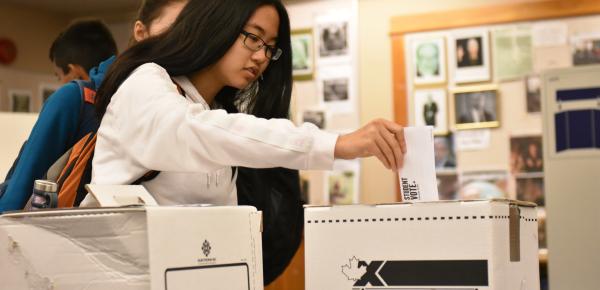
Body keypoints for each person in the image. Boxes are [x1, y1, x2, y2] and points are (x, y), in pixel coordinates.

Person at [83, 0, 407, 207]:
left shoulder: (216, 111)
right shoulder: (146, 82)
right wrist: (337, 144)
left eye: (270, 48)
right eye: (253, 37)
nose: (261, 57)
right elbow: (195, 131)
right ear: (215, 27)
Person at [0, 1, 188, 212]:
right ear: (140, 32)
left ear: (75, 71)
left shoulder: (174, 100)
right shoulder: (77, 98)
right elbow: (20, 188)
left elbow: (21, 182)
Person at [0, 20, 117, 212]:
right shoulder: (128, 97)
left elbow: (24, 182)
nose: (60, 83)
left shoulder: (70, 97)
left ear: (74, 72)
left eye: (58, 76)